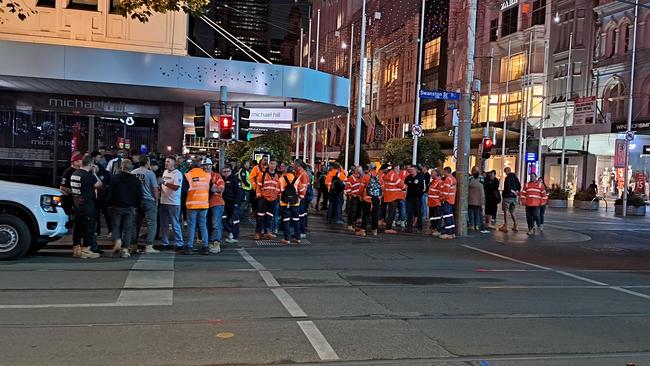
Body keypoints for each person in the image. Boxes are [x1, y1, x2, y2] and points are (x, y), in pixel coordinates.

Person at [107, 159, 141, 258]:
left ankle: (117, 240)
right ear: (131, 168)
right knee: (128, 228)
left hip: (116, 206)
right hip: (130, 207)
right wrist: (137, 205)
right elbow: (139, 195)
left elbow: (110, 193)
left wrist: (108, 204)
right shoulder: (135, 180)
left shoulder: (114, 178)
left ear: (121, 167)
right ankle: (125, 249)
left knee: (116, 226)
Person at [70, 154, 103, 259]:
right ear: (90, 164)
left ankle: (76, 248)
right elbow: (99, 184)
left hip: (77, 204)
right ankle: (86, 250)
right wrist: (94, 173)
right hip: (87, 206)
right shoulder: (87, 176)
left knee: (78, 228)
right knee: (89, 228)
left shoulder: (75, 173)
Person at [181, 160, 211, 255]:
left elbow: (184, 191)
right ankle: (205, 246)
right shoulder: (207, 175)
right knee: (203, 225)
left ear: (191, 166)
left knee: (191, 226)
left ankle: (189, 247)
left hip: (192, 204)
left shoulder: (187, 175)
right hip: (204, 204)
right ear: (200, 166)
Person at [131, 156, 160, 254]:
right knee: (152, 223)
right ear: (147, 162)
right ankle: (148, 246)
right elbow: (155, 189)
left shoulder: (133, 172)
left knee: (135, 224)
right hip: (148, 200)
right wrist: (156, 201)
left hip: (136, 201)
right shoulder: (150, 173)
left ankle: (133, 246)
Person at [160, 156, 184, 251]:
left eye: (168, 161)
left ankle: (179, 243)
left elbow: (176, 187)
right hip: (163, 201)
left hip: (173, 202)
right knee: (164, 224)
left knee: (175, 224)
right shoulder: (165, 172)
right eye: (166, 161)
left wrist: (164, 183)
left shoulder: (178, 174)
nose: (166, 163)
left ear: (174, 163)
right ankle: (165, 243)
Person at [255, 160, 280, 240]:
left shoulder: (277, 176)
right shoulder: (262, 174)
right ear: (269, 165)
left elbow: (278, 187)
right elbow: (258, 186)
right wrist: (259, 194)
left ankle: (267, 232)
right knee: (260, 216)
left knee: (269, 217)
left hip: (273, 199)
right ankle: (258, 233)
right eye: (272, 164)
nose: (273, 166)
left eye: (274, 164)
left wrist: (277, 196)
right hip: (264, 198)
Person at [279, 166, 303, 245]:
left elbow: (278, 190)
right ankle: (298, 238)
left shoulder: (282, 178)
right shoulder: (297, 179)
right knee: (296, 220)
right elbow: (301, 190)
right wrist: (300, 197)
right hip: (295, 203)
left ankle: (287, 239)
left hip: (285, 203)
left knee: (286, 221)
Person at [91, 151, 112, 238]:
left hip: (103, 195)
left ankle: (110, 230)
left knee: (107, 214)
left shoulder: (101, 168)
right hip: (95, 196)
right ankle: (97, 230)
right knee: (96, 214)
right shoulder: (91, 168)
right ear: (94, 158)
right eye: (98, 157)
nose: (100, 159)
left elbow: (106, 178)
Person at [222, 165, 244, 244]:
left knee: (235, 220)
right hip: (224, 203)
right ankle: (230, 231)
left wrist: (236, 202)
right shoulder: (221, 179)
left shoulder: (235, 179)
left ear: (231, 171)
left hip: (233, 203)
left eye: (228, 171)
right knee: (223, 219)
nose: (226, 173)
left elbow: (239, 192)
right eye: (224, 172)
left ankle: (234, 235)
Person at [207, 159, 225, 254]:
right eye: (204, 165)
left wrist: (216, 189)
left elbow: (221, 188)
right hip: (206, 204)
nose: (206, 167)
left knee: (215, 224)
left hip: (216, 203)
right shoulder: (203, 176)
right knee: (209, 224)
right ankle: (211, 242)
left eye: (208, 165)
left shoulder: (216, 176)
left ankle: (216, 243)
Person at [381, 164, 406, 234]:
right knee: (392, 213)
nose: (399, 170)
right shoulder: (394, 175)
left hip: (388, 196)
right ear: (395, 168)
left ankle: (388, 226)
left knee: (390, 212)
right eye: (398, 168)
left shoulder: (388, 174)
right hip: (394, 197)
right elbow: (402, 185)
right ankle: (388, 228)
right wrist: (405, 186)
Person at [500, 167, 521, 233]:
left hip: (507, 196)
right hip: (513, 197)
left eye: (505, 171)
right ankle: (516, 225)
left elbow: (507, 187)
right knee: (512, 211)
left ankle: (506, 225)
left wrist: (512, 191)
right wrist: (516, 192)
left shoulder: (508, 178)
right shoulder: (515, 178)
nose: (505, 173)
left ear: (508, 171)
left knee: (506, 211)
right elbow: (519, 186)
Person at [404, 165, 425, 233]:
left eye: (412, 170)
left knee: (418, 212)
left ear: (416, 170)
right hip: (409, 198)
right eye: (410, 170)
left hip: (417, 198)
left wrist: (420, 195)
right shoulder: (408, 178)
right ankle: (409, 227)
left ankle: (419, 227)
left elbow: (423, 188)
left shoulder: (420, 177)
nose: (411, 171)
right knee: (409, 212)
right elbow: (405, 186)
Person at [468, 166, 489, 233]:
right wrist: (483, 200)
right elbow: (483, 189)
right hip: (479, 199)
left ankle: (472, 225)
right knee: (478, 213)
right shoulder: (482, 179)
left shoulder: (470, 178)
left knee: (471, 212)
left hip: (470, 199)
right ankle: (477, 225)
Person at [294, 160, 311, 239]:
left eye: (294, 164)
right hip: (299, 197)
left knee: (301, 215)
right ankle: (299, 231)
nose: (293, 166)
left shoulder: (303, 175)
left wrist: (300, 197)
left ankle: (302, 232)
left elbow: (304, 188)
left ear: (299, 166)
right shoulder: (299, 173)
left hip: (301, 198)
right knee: (299, 215)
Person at [440, 167, 457, 240]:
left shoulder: (447, 179)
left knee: (447, 217)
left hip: (447, 200)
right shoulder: (453, 179)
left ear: (446, 171)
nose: (443, 173)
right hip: (451, 199)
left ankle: (448, 233)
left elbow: (445, 192)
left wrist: (441, 199)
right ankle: (452, 232)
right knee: (450, 216)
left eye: (443, 172)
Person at [344, 166, 362, 232]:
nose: (361, 171)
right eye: (360, 170)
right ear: (356, 171)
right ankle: (350, 225)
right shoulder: (351, 177)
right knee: (353, 211)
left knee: (357, 212)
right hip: (353, 197)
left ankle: (353, 224)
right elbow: (347, 187)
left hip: (358, 197)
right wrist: (352, 194)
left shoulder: (359, 177)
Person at [427, 169, 444, 237]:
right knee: (432, 217)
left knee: (437, 217)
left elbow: (441, 193)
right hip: (431, 202)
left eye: (432, 173)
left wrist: (440, 201)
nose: (431, 174)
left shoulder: (439, 182)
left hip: (436, 203)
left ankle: (438, 230)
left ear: (437, 174)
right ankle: (433, 228)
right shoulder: (433, 181)